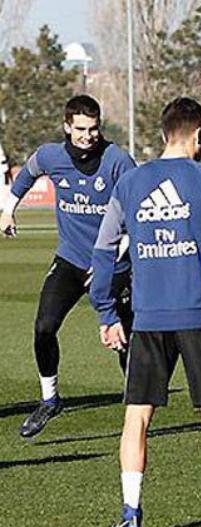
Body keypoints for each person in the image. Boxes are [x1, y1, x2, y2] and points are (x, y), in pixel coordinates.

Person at [90, 97, 201, 527]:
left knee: (137, 418)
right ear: (198, 136)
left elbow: (103, 250)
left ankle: (130, 513)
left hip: (148, 319)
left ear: (164, 133)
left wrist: (107, 312)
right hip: (199, 316)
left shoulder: (130, 183)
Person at [1, 95, 136, 438]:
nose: (87, 136)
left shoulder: (118, 160)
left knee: (124, 340)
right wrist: (8, 209)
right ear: (67, 127)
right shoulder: (50, 155)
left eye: (93, 129)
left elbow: (138, 214)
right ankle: (50, 400)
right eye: (80, 129)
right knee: (44, 326)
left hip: (114, 262)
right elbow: (26, 175)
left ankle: (137, 405)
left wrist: (112, 257)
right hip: (71, 259)